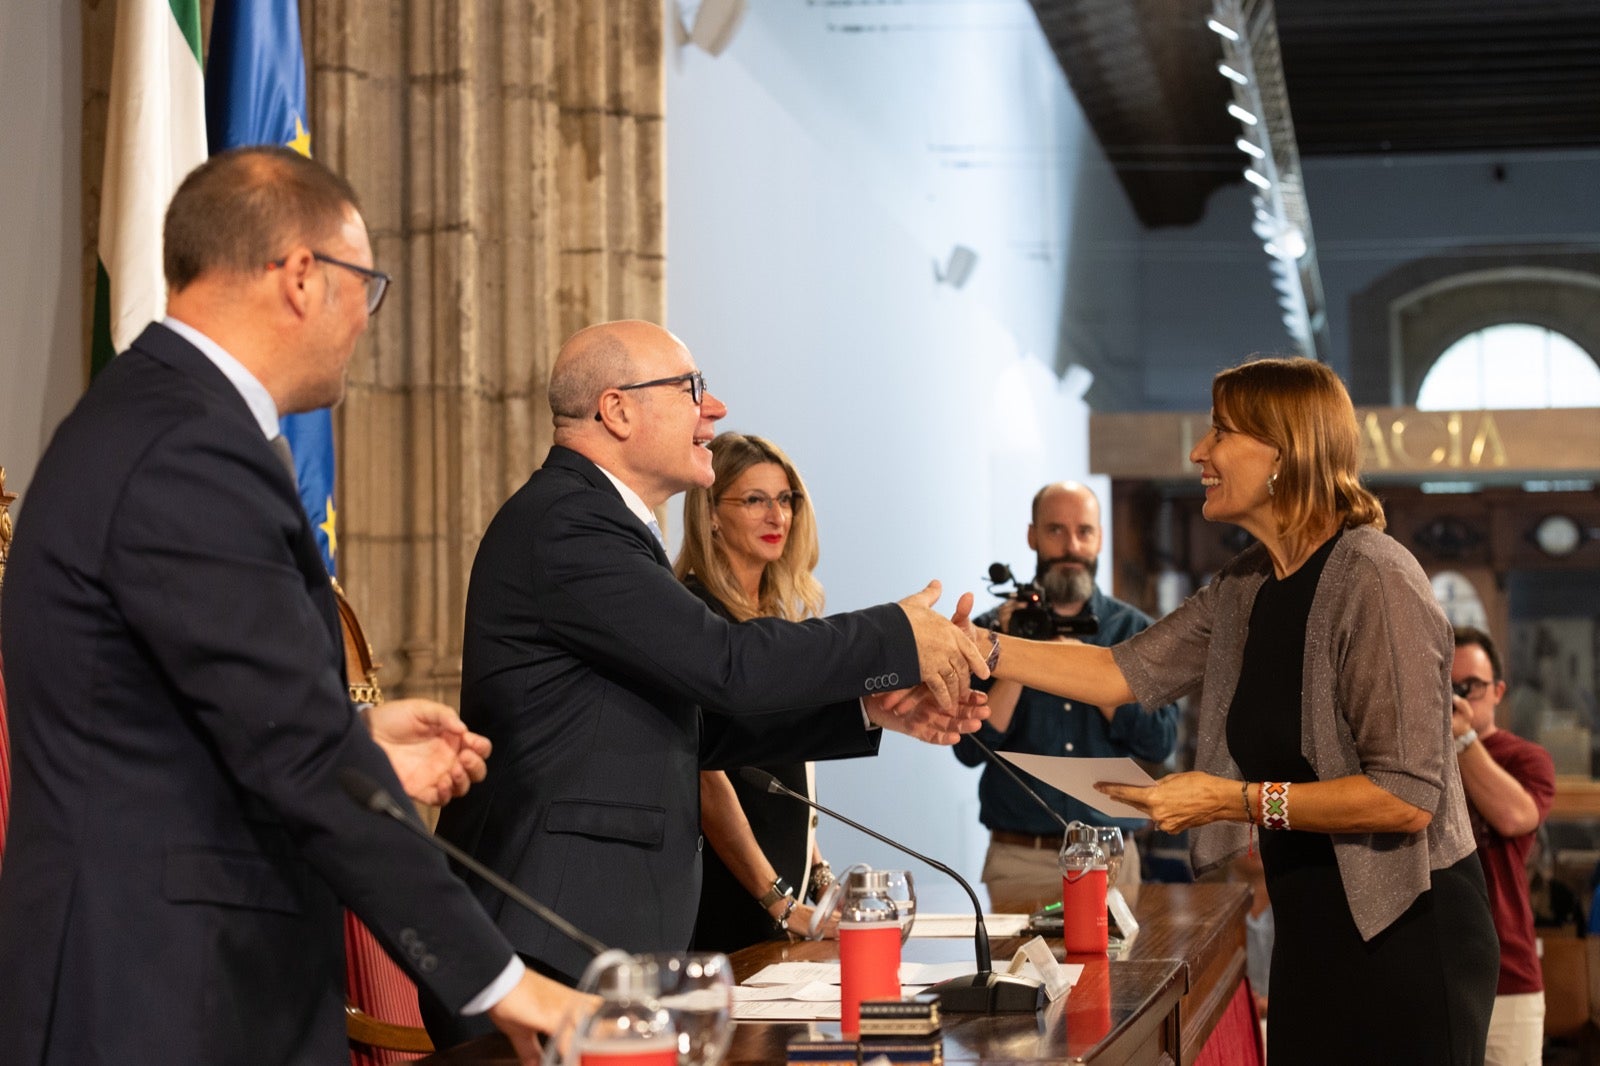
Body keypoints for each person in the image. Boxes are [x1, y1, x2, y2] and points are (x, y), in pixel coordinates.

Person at [0, 147, 581, 1065]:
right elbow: (296, 757)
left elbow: (203, 719)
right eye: (367, 285)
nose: (366, 319)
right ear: (303, 276)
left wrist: (360, 741)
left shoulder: (160, 417)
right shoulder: (186, 446)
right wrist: (508, 986)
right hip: (160, 1002)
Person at [430, 320, 987, 1040]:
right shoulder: (569, 524)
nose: (715, 408)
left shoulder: (599, 524)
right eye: (691, 388)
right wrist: (893, 634)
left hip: (588, 941)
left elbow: (694, 722)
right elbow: (726, 665)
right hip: (549, 941)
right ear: (617, 409)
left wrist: (866, 706)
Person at [972, 357, 1498, 1064]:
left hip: (1407, 933)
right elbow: (1115, 671)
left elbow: (1404, 797)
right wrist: (972, 648)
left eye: (1221, 431)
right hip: (1313, 932)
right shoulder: (1247, 586)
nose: (1200, 452)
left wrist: (1235, 801)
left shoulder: (1375, 576)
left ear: (1284, 453)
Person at [953, 481, 1177, 905]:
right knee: (1017, 973)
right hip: (1020, 857)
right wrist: (1018, 654)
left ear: (1100, 538)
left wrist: (1089, 669)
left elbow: (1159, 742)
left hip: (1110, 856)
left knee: (1118, 973)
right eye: (1056, 531)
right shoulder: (987, 632)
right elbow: (967, 750)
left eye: (1084, 532)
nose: (1071, 546)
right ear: (1032, 536)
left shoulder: (1135, 633)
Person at [675, 432, 841, 950]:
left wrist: (820, 879)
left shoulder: (773, 618)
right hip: (728, 896)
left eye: (785, 499)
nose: (778, 516)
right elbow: (707, 778)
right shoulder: (694, 616)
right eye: (755, 500)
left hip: (783, 891)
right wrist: (779, 902)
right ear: (711, 515)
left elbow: (791, 769)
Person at [1452, 625, 1555, 1066]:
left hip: (1508, 974)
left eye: (1468, 687)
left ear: (1497, 691)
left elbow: (1515, 816)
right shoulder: (1418, 761)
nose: (1455, 697)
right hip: (1440, 974)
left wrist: (1462, 739)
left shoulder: (1526, 759)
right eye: (1445, 685)